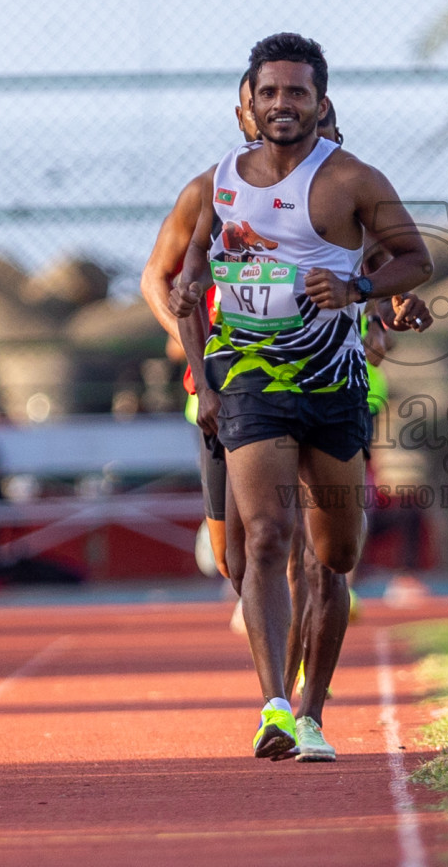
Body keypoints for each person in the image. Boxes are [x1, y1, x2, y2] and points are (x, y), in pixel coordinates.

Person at [170, 33, 432, 762]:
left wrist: (359, 290)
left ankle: (315, 708)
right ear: (248, 103)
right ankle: (277, 708)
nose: (282, 104)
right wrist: (204, 373)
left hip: (335, 383)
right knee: (265, 538)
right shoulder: (217, 183)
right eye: (270, 92)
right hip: (251, 378)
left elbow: (417, 257)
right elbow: (188, 283)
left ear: (321, 102)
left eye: (297, 92)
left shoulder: (353, 179)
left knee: (334, 556)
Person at [141, 73, 259, 586]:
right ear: (241, 116)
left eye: (292, 97)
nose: (276, 112)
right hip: (219, 392)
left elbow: (384, 262)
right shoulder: (209, 191)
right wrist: (199, 349)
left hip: (306, 382)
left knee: (299, 539)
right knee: (231, 556)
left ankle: (300, 642)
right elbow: (155, 278)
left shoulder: (335, 189)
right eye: (261, 101)